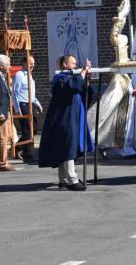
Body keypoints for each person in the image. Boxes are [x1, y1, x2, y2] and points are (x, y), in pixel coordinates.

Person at [38, 55, 94, 190]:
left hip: (73, 119)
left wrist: (86, 79)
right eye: (73, 63)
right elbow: (71, 86)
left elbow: (81, 89)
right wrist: (83, 71)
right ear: (64, 64)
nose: (75, 66)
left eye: (76, 63)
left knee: (66, 147)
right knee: (68, 147)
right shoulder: (60, 79)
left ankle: (63, 179)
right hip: (63, 119)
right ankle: (72, 179)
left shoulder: (71, 77)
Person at [12, 56, 42, 162]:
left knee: (34, 129)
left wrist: (37, 103)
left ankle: (17, 148)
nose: (32, 65)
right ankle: (27, 154)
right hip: (23, 104)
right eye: (30, 63)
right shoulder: (19, 75)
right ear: (24, 63)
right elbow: (15, 92)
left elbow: (30, 93)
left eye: (33, 63)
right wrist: (17, 108)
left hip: (30, 104)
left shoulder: (29, 75)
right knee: (27, 130)